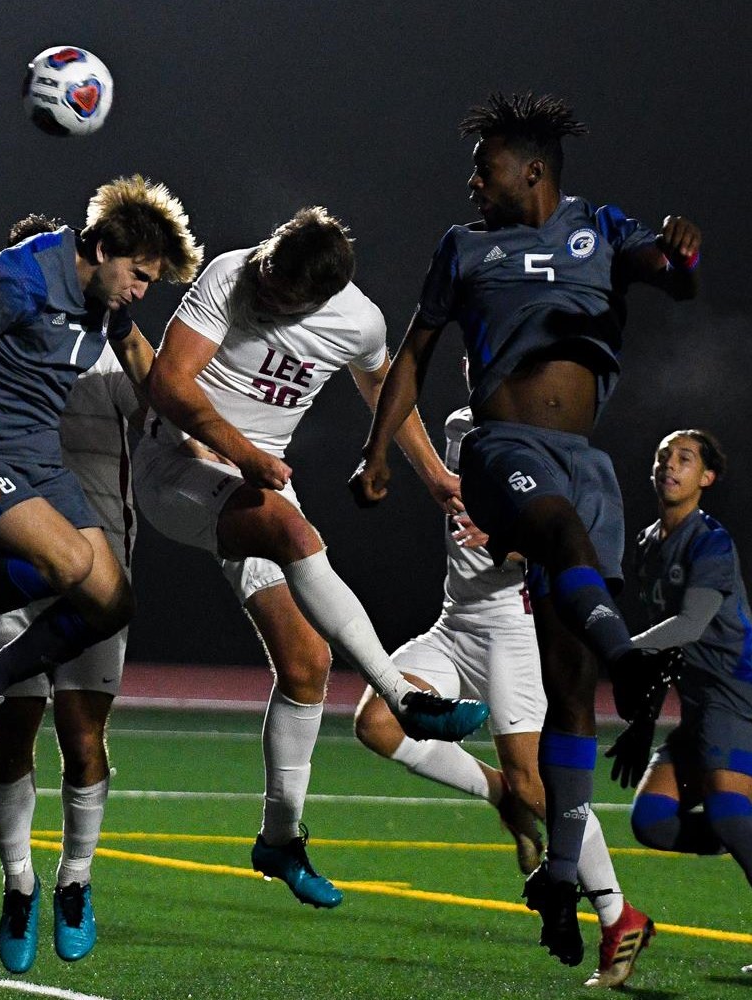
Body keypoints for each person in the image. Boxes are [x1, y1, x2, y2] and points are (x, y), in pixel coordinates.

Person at [353, 91, 700, 965]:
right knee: (548, 529)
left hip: (586, 462)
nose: (474, 181)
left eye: (488, 166)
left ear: (533, 171)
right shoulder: (464, 248)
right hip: (505, 446)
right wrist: (380, 454)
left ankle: (562, 880)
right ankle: (631, 654)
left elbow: (670, 273)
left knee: (570, 694)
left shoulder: (599, 227)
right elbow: (414, 355)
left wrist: (679, 253)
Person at [136, 206, 489, 908]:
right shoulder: (229, 275)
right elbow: (169, 384)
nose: (263, 292)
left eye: (280, 295)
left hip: (255, 482)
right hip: (177, 469)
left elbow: (384, 388)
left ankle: (280, 838)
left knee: (307, 667)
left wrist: (430, 476)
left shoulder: (358, 321)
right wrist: (241, 453)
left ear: (320, 302)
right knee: (297, 535)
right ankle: (405, 698)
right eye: (266, 273)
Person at [0, 176, 200, 779]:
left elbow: (141, 359)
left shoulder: (103, 301)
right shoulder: (26, 274)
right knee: (66, 563)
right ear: (105, 248)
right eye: (138, 274)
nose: (141, 290)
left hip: (34, 459)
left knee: (111, 602)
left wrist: (191, 435)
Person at [0, 213, 147, 974]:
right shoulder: (17, 320)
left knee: (83, 740)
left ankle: (76, 882)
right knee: (12, 733)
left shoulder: (113, 347)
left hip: (93, 544)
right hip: (14, 535)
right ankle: (19, 886)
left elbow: (172, 402)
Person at [353, 405, 654, 989]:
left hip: (513, 630)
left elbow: (571, 545)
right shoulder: (459, 424)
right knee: (377, 724)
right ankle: (498, 794)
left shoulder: (553, 444)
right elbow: (398, 399)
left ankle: (620, 916)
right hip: (454, 620)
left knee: (537, 784)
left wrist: (510, 543)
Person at [622, 429, 752, 975]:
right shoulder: (648, 543)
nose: (670, 465)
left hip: (736, 697)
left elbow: (690, 625)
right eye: (663, 456)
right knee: (651, 822)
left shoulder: (710, 541)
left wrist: (619, 649)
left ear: (706, 478)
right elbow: (665, 647)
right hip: (699, 705)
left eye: (685, 459)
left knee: (728, 818)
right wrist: (644, 720)